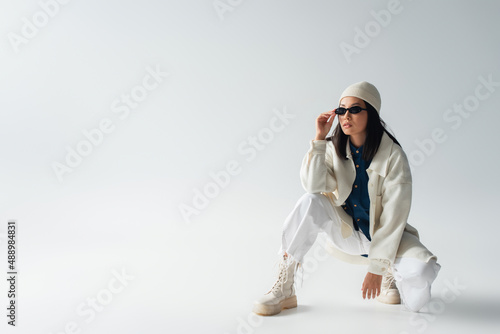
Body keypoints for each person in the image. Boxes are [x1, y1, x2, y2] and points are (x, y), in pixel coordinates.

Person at [252, 81, 442, 316]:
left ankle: (389, 274)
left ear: (371, 114)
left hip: (385, 239)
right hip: (347, 232)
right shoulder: (332, 148)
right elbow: (312, 185)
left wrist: (377, 268)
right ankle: (285, 287)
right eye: (341, 110)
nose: (345, 116)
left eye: (354, 109)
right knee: (310, 201)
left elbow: (394, 218)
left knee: (423, 270)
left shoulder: (394, 156)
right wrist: (319, 139)